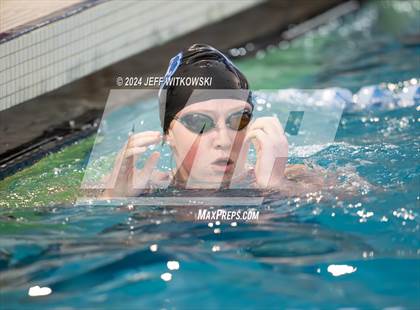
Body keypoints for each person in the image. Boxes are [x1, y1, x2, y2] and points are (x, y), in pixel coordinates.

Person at [101, 44, 340, 198]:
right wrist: (112, 200)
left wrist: (276, 187)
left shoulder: (299, 179)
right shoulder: (139, 187)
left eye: (238, 120)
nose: (224, 140)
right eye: (200, 123)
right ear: (167, 133)